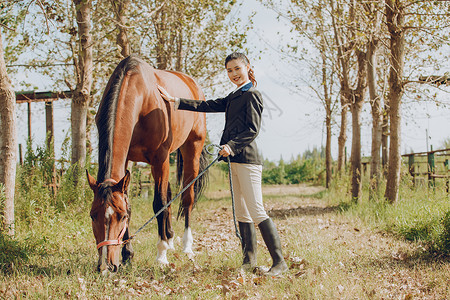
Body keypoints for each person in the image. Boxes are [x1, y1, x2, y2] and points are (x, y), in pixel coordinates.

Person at [157, 52, 288, 276]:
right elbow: (208, 105)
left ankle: (279, 263)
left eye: (237, 68)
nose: (234, 74)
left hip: (247, 159)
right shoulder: (235, 95)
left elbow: (252, 131)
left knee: (256, 210)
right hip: (234, 160)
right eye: (229, 70)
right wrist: (175, 101)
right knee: (242, 213)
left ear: (248, 67)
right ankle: (249, 261)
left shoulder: (252, 94)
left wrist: (231, 146)